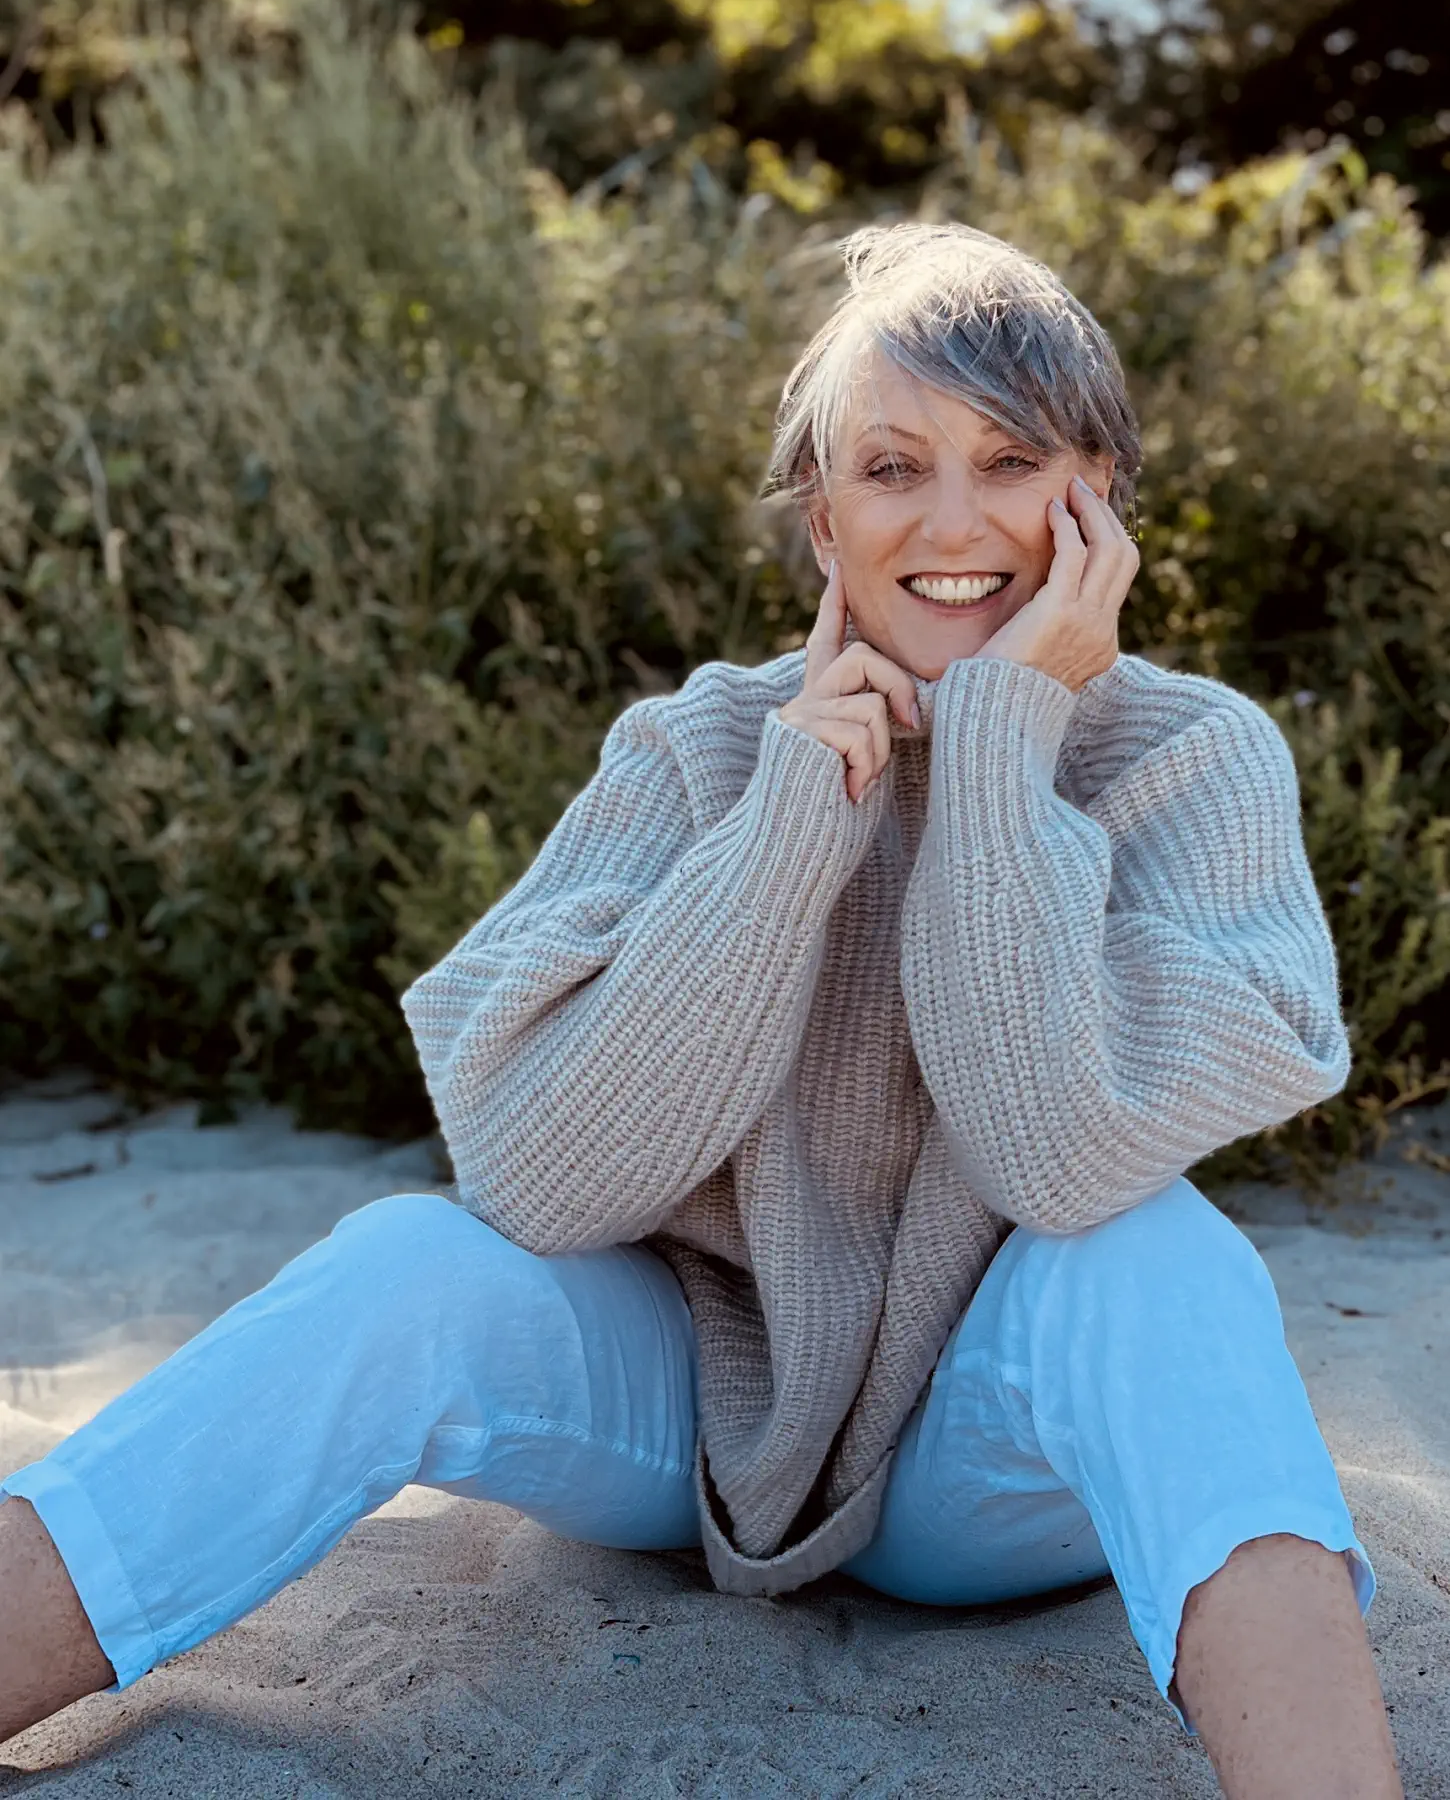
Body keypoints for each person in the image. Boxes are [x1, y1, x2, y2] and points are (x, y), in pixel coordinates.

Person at [0, 221, 1402, 1798]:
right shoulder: (699, 749)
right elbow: (538, 1183)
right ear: (823, 518)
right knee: (405, 1263)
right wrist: (791, 822)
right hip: (695, 1409)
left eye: (1009, 462)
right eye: (891, 468)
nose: (953, 521)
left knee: (1157, 1259)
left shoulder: (1191, 763)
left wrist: (1003, 741)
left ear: (1098, 499)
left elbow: (1053, 1158)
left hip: (990, 1455)